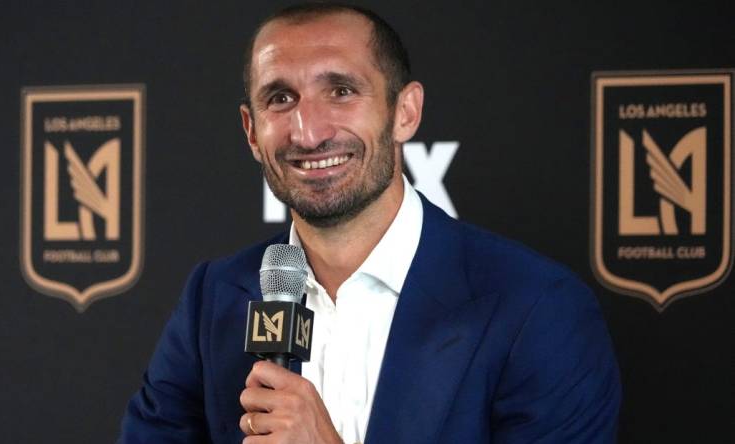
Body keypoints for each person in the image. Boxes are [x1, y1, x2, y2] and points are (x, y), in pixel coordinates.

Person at [119, 3, 621, 443]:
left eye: (340, 91)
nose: (309, 132)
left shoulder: (536, 307)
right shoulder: (214, 297)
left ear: (405, 112)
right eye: (280, 98)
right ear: (252, 132)